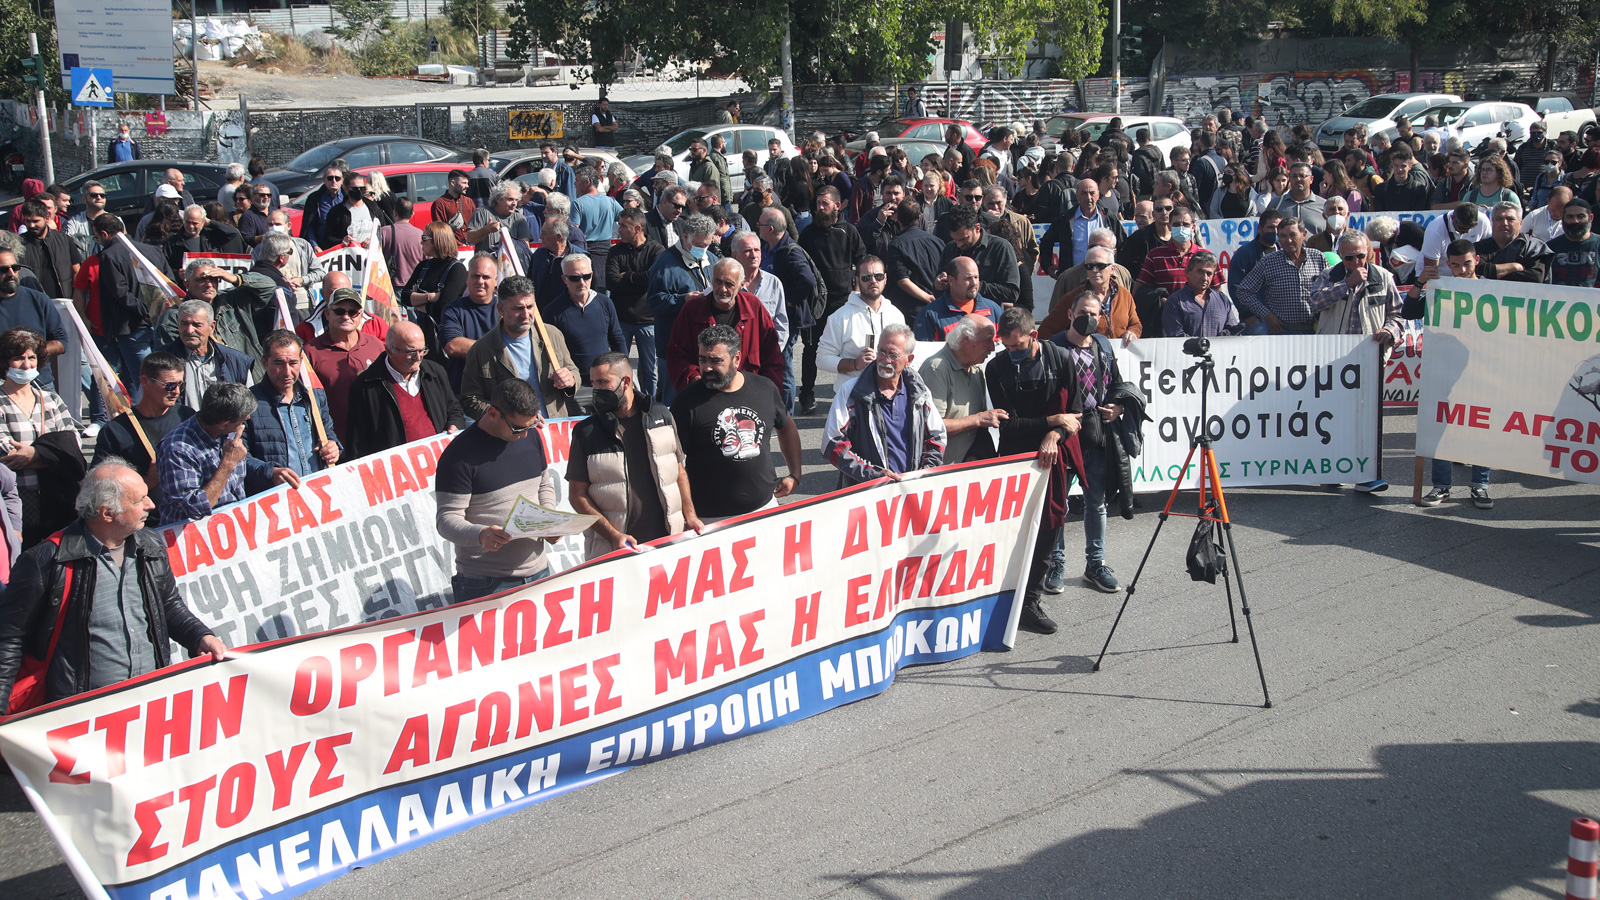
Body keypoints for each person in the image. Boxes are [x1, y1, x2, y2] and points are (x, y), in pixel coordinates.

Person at [0, 459, 229, 713]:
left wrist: (200, 636)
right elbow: (9, 639)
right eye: (138, 500)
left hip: (150, 705)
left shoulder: (150, 545)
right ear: (107, 513)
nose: (151, 504)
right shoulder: (45, 561)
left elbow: (168, 605)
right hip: (83, 718)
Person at [566, 352, 702, 559]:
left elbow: (679, 471)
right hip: (615, 551)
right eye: (593, 383)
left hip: (668, 543)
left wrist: (690, 515)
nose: (596, 390)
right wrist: (612, 536)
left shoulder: (662, 416)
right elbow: (577, 496)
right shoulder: (586, 432)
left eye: (603, 382)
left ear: (626, 382)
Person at [435, 380, 558, 603]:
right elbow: (446, 519)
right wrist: (481, 535)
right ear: (492, 413)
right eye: (518, 428)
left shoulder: (531, 434)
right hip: (485, 583)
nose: (524, 435)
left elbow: (544, 484)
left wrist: (548, 518)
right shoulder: (458, 457)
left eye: (529, 426)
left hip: (539, 572)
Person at [670, 325, 801, 523]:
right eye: (702, 359)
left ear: (736, 359)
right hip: (709, 519)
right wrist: (688, 513)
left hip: (764, 508)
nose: (706, 368)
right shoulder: (686, 402)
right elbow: (675, 464)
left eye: (716, 360)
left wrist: (795, 474)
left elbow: (786, 428)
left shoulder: (764, 388)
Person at [1308, 231, 1402, 493]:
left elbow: (1398, 315)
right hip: (1333, 359)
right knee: (1333, 417)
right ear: (1341, 256)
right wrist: (1346, 284)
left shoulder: (1383, 277)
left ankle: (1366, 475)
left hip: (1369, 359)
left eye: (1361, 256)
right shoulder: (1330, 275)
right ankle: (1333, 469)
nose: (1357, 262)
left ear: (1368, 253)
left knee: (1367, 419)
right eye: (1350, 258)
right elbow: (1315, 302)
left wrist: (1390, 331)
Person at [156, 381, 300, 525]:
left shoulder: (229, 432)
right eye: (242, 420)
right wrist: (227, 464)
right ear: (224, 423)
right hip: (196, 538)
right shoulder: (177, 449)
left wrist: (270, 472)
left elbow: (242, 460)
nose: (245, 423)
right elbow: (195, 508)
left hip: (233, 530)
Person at [820, 323, 945, 487]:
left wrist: (923, 474)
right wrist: (874, 476)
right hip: (866, 493)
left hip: (910, 490)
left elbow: (937, 437)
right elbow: (832, 444)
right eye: (882, 352)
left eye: (893, 355)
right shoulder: (851, 392)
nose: (885, 360)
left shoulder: (920, 393)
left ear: (909, 360)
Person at [0, 328, 83, 546]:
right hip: (17, 501)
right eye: (18, 358)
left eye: (32, 358)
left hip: (56, 498)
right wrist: (53, 454)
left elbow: (72, 444)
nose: (27, 365)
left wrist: (35, 454)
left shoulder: (51, 399)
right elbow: (8, 454)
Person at [89, 352, 193, 525]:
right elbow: (99, 489)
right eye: (169, 385)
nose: (176, 391)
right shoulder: (116, 431)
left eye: (180, 384)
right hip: (145, 523)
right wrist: (146, 483)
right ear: (145, 381)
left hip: (187, 518)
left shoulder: (187, 417)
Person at [460, 275, 580, 420]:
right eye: (518, 309)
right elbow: (470, 400)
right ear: (501, 309)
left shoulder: (552, 335)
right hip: (509, 435)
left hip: (552, 427)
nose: (526, 314)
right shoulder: (482, 349)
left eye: (530, 307)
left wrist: (570, 379)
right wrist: (508, 417)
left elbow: (573, 370)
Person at [343, 321, 462, 460]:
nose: (418, 357)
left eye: (422, 350)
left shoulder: (436, 372)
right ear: (389, 350)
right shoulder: (365, 386)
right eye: (410, 352)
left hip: (438, 461)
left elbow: (453, 408)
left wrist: (454, 425)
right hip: (396, 470)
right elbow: (357, 443)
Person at [666, 256, 784, 391]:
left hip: (748, 391)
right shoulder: (692, 310)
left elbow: (772, 356)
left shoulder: (753, 307)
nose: (722, 289)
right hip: (705, 391)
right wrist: (694, 377)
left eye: (729, 284)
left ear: (741, 285)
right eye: (718, 282)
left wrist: (769, 393)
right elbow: (676, 354)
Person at [243, 330, 341, 476]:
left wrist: (334, 447)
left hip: (316, 490)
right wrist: (271, 473)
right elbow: (239, 457)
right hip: (276, 494)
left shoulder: (314, 396)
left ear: (301, 361)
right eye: (279, 363)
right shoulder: (248, 403)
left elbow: (328, 432)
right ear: (264, 363)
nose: (287, 372)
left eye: (293, 363)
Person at [647, 213, 717, 402]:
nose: (703, 250)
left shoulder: (711, 258)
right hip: (675, 347)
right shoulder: (664, 263)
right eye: (699, 245)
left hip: (706, 345)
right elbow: (654, 300)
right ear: (684, 237)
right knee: (676, 400)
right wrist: (683, 300)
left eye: (707, 245)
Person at [921, 314, 1004, 463]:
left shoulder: (977, 368)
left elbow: (979, 428)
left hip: (969, 466)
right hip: (942, 471)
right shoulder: (936, 369)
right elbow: (931, 427)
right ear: (966, 339)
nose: (992, 347)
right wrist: (978, 419)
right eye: (987, 341)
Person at [302, 288, 385, 436]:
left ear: (360, 317)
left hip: (375, 438)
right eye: (339, 311)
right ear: (327, 314)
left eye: (353, 312)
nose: (346, 317)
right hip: (336, 443)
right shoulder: (310, 352)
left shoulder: (376, 345)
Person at [1233, 217, 1328, 335]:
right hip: (1282, 331)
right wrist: (1266, 315)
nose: (1288, 240)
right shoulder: (1269, 262)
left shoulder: (1318, 257)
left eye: (1293, 235)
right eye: (1283, 236)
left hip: (1315, 329)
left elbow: (1330, 288)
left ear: (1304, 234)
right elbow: (1243, 291)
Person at [156, 299, 254, 412]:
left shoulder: (236, 361)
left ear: (212, 327)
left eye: (197, 325)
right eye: (184, 324)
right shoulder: (161, 360)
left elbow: (249, 407)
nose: (189, 330)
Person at [606, 207, 664, 399]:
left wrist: (628, 276)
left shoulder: (656, 250)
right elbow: (612, 281)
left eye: (623, 226)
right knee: (620, 369)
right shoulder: (615, 251)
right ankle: (625, 402)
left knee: (649, 370)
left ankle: (650, 404)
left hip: (648, 321)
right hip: (621, 320)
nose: (619, 230)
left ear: (638, 228)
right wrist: (639, 280)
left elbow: (654, 279)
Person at [818, 255, 907, 377]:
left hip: (889, 392)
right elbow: (822, 359)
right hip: (853, 393)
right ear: (857, 280)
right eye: (866, 277)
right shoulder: (840, 317)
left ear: (885, 279)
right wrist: (855, 364)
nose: (873, 281)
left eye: (878, 276)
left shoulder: (896, 315)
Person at [542, 253, 626, 383]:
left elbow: (617, 338)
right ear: (564, 279)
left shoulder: (604, 303)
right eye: (575, 278)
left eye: (586, 277)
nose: (581, 282)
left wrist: (623, 370)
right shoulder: (552, 311)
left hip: (605, 381)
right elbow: (549, 350)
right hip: (574, 384)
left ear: (592, 275)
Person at [1043, 245, 1141, 344]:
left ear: (1112, 269)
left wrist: (1132, 332)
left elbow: (1135, 324)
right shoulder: (1073, 298)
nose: (1094, 270)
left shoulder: (1124, 295)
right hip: (1085, 357)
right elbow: (1046, 330)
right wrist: (1062, 352)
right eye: (1089, 266)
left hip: (1119, 356)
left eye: (1100, 266)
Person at [0, 249, 67, 389]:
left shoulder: (39, 300)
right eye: (4, 270)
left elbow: (61, 342)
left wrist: (32, 353)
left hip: (40, 383)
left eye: (15, 268)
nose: (11, 273)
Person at [913, 256, 1004, 340]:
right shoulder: (930, 315)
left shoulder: (994, 310)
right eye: (968, 278)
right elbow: (925, 353)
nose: (974, 283)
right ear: (951, 280)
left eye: (976, 277)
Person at [1162, 251, 1240, 338]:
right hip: (1186, 351)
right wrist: (1200, 346)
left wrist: (1216, 343)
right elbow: (1175, 334)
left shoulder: (1222, 300)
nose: (1204, 278)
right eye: (1200, 272)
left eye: (1209, 273)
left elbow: (1232, 329)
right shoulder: (1175, 301)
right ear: (1188, 272)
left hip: (1218, 351)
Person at [1471, 201, 1551, 284]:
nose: (1504, 223)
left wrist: (1491, 275)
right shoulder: (1479, 247)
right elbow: (1478, 269)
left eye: (1510, 219)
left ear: (1520, 224)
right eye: (1499, 219)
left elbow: (1535, 277)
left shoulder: (1534, 248)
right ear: (1492, 222)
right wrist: (1514, 267)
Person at [1050, 228, 1132, 306]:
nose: (1097, 251)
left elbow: (1128, 309)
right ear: (1087, 248)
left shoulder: (1123, 274)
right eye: (1093, 247)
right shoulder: (1067, 278)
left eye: (1103, 248)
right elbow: (1055, 316)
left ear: (1114, 252)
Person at [18, 199, 81, 300]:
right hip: (33, 301)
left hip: (63, 300)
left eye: (35, 221)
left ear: (46, 218)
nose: (31, 225)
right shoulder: (19, 244)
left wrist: (76, 297)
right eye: (27, 221)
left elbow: (76, 270)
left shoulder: (64, 240)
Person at [1421, 202, 1492, 273]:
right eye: (1462, 228)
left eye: (1470, 228)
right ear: (1452, 218)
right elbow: (1430, 270)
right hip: (1439, 275)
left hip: (1467, 275)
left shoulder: (1483, 220)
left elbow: (1489, 249)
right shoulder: (1435, 232)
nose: (1467, 232)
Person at [1547, 198, 1600, 288]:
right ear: (1562, 218)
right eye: (1570, 217)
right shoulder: (1549, 248)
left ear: (1591, 218)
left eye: (1580, 216)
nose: (1575, 221)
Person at [1228, 209, 1283, 287]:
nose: (1275, 231)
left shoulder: (1285, 252)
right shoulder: (1244, 254)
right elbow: (1236, 286)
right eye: (1271, 227)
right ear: (1260, 228)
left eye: (1278, 228)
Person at [1269, 162, 1327, 232]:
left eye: (1302, 176)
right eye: (1294, 176)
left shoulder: (1324, 205)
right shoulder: (1276, 203)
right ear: (1289, 179)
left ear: (1311, 179)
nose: (1298, 179)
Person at [432, 170, 478, 245]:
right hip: (452, 247)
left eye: (467, 183)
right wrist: (458, 244)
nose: (467, 186)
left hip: (471, 246)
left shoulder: (469, 201)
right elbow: (440, 231)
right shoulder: (439, 204)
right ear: (452, 183)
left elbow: (476, 225)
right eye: (464, 183)